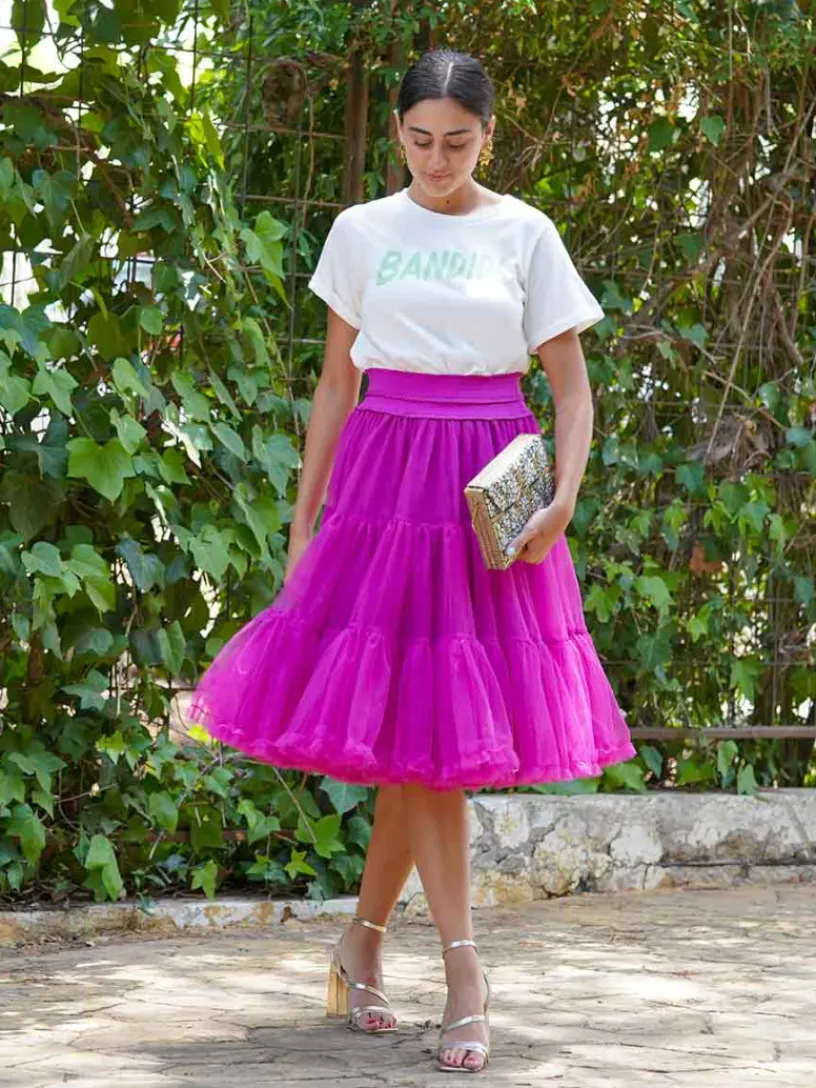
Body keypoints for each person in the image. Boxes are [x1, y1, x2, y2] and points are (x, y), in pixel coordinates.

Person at [189, 47, 637, 1075]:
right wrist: (303, 521)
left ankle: (371, 946)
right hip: (384, 491)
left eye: (459, 142)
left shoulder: (526, 233)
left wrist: (565, 498)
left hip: (486, 493)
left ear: (489, 136)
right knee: (416, 740)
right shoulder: (361, 231)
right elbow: (334, 384)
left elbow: (572, 389)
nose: (438, 161)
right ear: (397, 133)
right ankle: (458, 971)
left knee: (427, 742)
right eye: (421, 140)